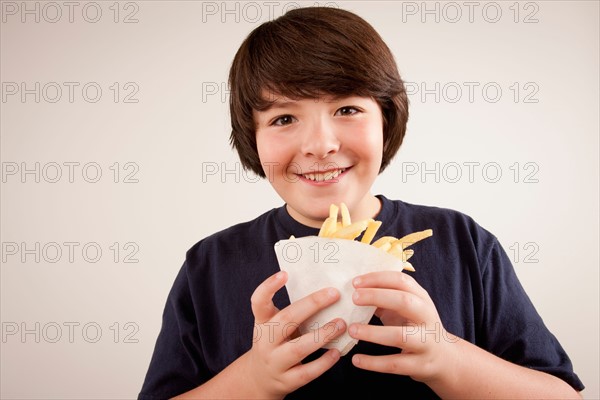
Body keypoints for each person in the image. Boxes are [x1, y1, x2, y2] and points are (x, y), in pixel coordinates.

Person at [138, 7, 584, 399]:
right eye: (284, 118)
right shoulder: (209, 264)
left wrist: (447, 359)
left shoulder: (464, 243)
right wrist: (253, 381)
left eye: (347, 109)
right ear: (252, 140)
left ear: (386, 120)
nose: (320, 144)